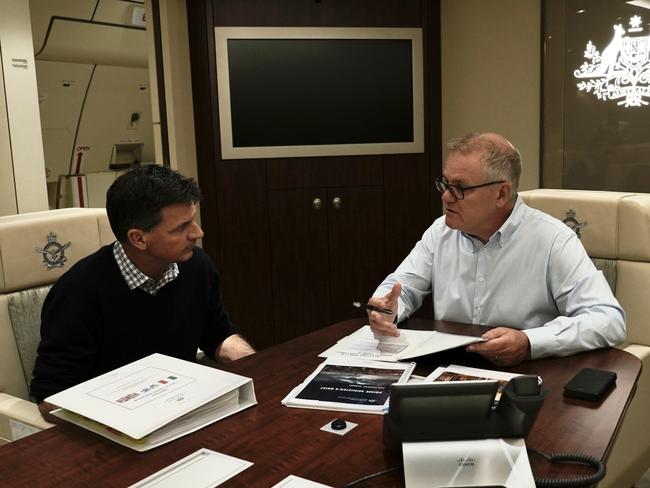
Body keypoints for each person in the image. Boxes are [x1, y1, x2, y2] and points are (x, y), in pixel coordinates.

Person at [367, 132, 625, 366]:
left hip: (527, 374)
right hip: (451, 366)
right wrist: (386, 309)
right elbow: (403, 285)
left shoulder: (553, 239)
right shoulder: (441, 232)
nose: (445, 197)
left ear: (501, 194)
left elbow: (607, 320)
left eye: (459, 188)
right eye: (445, 184)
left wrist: (528, 341)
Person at [31, 164, 255, 419]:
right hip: (114, 423)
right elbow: (51, 397)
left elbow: (217, 334)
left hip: (179, 407)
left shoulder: (196, 266)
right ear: (138, 239)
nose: (198, 233)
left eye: (193, 220)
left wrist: (256, 368)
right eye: (181, 228)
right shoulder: (78, 291)